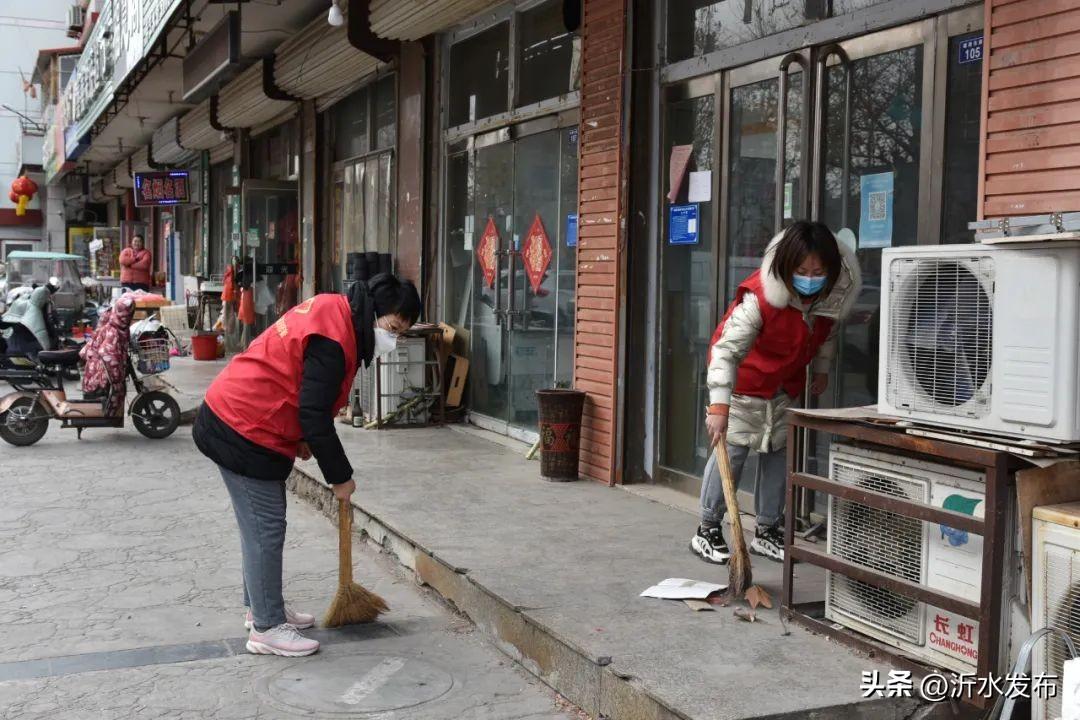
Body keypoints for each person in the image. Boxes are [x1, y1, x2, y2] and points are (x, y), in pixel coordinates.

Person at [193, 274, 421, 657]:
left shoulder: (335, 312)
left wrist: (298, 437)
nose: (392, 339)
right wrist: (340, 478)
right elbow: (314, 413)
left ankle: (262, 607)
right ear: (375, 313)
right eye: (393, 328)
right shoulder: (335, 339)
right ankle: (266, 628)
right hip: (242, 427)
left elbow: (300, 384)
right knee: (265, 528)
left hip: (242, 417)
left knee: (257, 527)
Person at [690, 221, 860, 565]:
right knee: (731, 456)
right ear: (785, 266)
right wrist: (719, 405)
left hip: (784, 389)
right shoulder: (760, 299)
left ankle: (767, 529)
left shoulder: (827, 299)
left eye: (818, 270)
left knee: (778, 458)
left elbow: (825, 337)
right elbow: (724, 351)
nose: (810, 277)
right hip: (743, 387)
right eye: (801, 270)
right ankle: (706, 528)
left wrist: (822, 370)